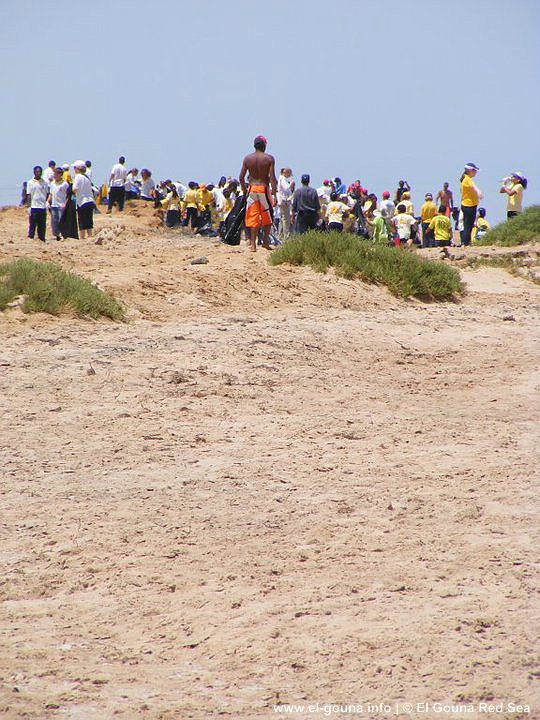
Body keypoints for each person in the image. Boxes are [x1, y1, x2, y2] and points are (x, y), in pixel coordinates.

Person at [239, 135, 278, 251]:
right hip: (263, 189)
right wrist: (275, 194)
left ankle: (253, 245)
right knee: (268, 216)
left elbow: (241, 177)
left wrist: (244, 189)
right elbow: (272, 177)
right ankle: (265, 241)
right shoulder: (269, 158)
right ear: (264, 145)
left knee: (253, 216)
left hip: (251, 189)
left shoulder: (247, 158)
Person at [460, 162, 483, 246]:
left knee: (468, 225)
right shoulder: (467, 179)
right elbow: (474, 187)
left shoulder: (466, 178)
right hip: (468, 205)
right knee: (468, 225)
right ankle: (466, 243)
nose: (475, 172)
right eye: (474, 170)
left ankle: (466, 242)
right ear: (470, 170)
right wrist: (479, 193)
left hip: (469, 204)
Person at [72, 161, 94, 238]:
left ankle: (82, 237)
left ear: (78, 169)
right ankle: (90, 236)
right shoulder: (87, 176)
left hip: (82, 202)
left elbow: (74, 189)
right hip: (90, 200)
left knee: (82, 221)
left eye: (74, 168)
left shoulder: (78, 177)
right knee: (89, 221)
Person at [26, 166, 49, 241]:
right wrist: (29, 206)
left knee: (42, 224)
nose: (38, 173)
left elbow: (47, 193)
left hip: (42, 206)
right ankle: (31, 236)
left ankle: (41, 237)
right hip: (34, 206)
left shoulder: (44, 182)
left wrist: (47, 202)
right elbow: (28, 195)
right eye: (37, 172)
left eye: (40, 172)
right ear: (34, 172)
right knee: (33, 223)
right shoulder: (30, 182)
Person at [47, 166, 70, 241]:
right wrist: (48, 201)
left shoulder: (65, 184)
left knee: (61, 221)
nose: (55, 175)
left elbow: (68, 195)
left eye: (57, 174)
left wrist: (65, 204)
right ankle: (57, 235)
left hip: (61, 205)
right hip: (54, 205)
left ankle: (63, 235)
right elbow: (51, 194)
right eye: (54, 173)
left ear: (60, 174)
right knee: (54, 222)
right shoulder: (53, 183)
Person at [277, 168, 295, 240]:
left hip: (283, 201)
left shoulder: (281, 178)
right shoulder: (283, 179)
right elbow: (286, 188)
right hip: (284, 201)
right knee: (285, 219)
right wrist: (291, 184)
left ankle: (280, 235)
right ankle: (285, 236)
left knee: (282, 218)